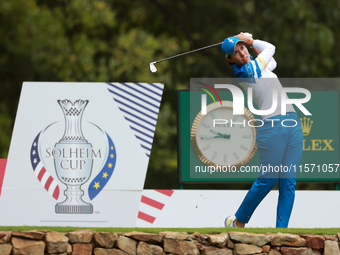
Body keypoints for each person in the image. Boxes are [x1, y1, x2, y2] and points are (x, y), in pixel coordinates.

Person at [221, 33, 303, 228]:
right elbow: (270, 48)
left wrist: (249, 43)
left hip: (292, 123)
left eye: (243, 48)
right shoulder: (246, 72)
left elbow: (270, 58)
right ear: (230, 60)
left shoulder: (259, 66)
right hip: (271, 127)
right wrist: (250, 40)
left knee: (288, 183)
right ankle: (238, 221)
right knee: (267, 180)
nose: (242, 53)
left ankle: (281, 232)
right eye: (236, 52)